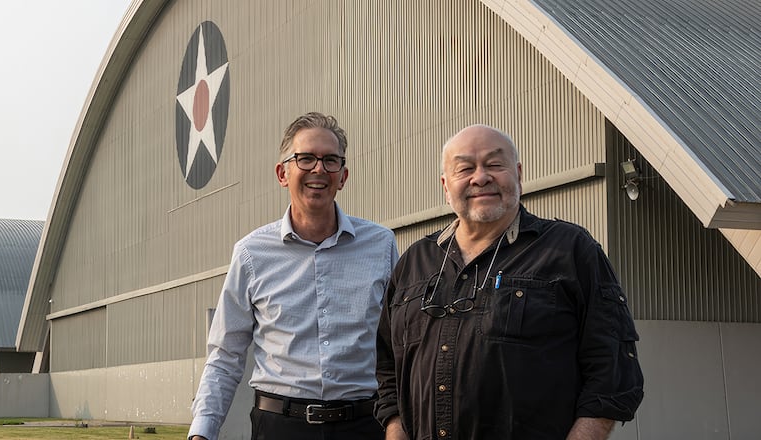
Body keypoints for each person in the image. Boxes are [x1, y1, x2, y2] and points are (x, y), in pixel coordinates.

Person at [375, 124, 643, 440]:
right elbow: (387, 367)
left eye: (494, 164)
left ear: (517, 173)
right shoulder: (415, 262)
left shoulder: (569, 250)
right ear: (446, 187)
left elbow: (611, 370)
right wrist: (395, 432)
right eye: (465, 168)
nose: (480, 177)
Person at [189, 112, 399, 440]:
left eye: (330, 160)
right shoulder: (251, 254)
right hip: (279, 427)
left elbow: (398, 345)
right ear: (282, 174)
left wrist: (397, 421)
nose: (319, 169)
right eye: (305, 159)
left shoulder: (381, 245)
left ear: (343, 176)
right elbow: (226, 354)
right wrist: (202, 431)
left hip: (363, 426)